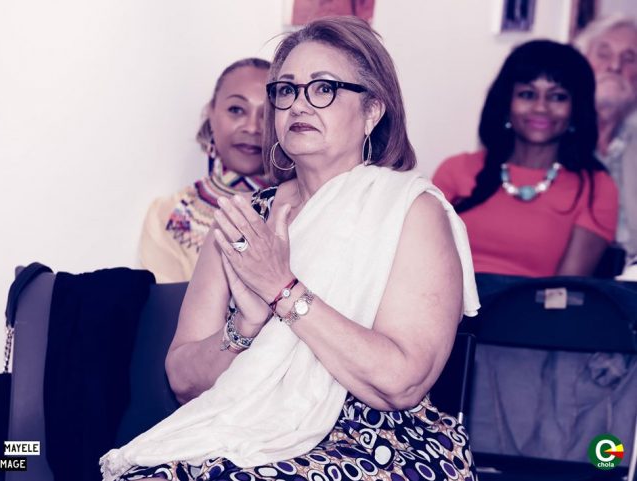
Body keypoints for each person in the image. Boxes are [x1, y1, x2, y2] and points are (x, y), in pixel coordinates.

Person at [101, 16, 480, 481]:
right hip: (242, 433)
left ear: (372, 111)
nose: (299, 104)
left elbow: (402, 383)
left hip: (377, 443)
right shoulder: (245, 219)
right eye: (286, 90)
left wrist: (283, 290)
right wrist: (244, 326)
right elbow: (182, 381)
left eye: (323, 88)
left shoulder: (412, 211)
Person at [433, 39, 618, 278]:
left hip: (536, 303)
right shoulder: (456, 170)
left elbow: (565, 289)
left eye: (558, 97)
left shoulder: (596, 188)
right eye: (527, 94)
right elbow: (422, 260)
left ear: (576, 110)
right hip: (445, 299)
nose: (541, 108)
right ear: (506, 103)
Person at [139, 58, 272, 283]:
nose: (252, 127)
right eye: (236, 110)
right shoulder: (169, 216)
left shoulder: (304, 208)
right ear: (211, 114)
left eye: (268, 114)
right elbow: (172, 304)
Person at [575, 14, 637, 279]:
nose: (614, 66)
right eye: (603, 54)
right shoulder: (551, 136)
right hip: (563, 282)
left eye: (629, 58)